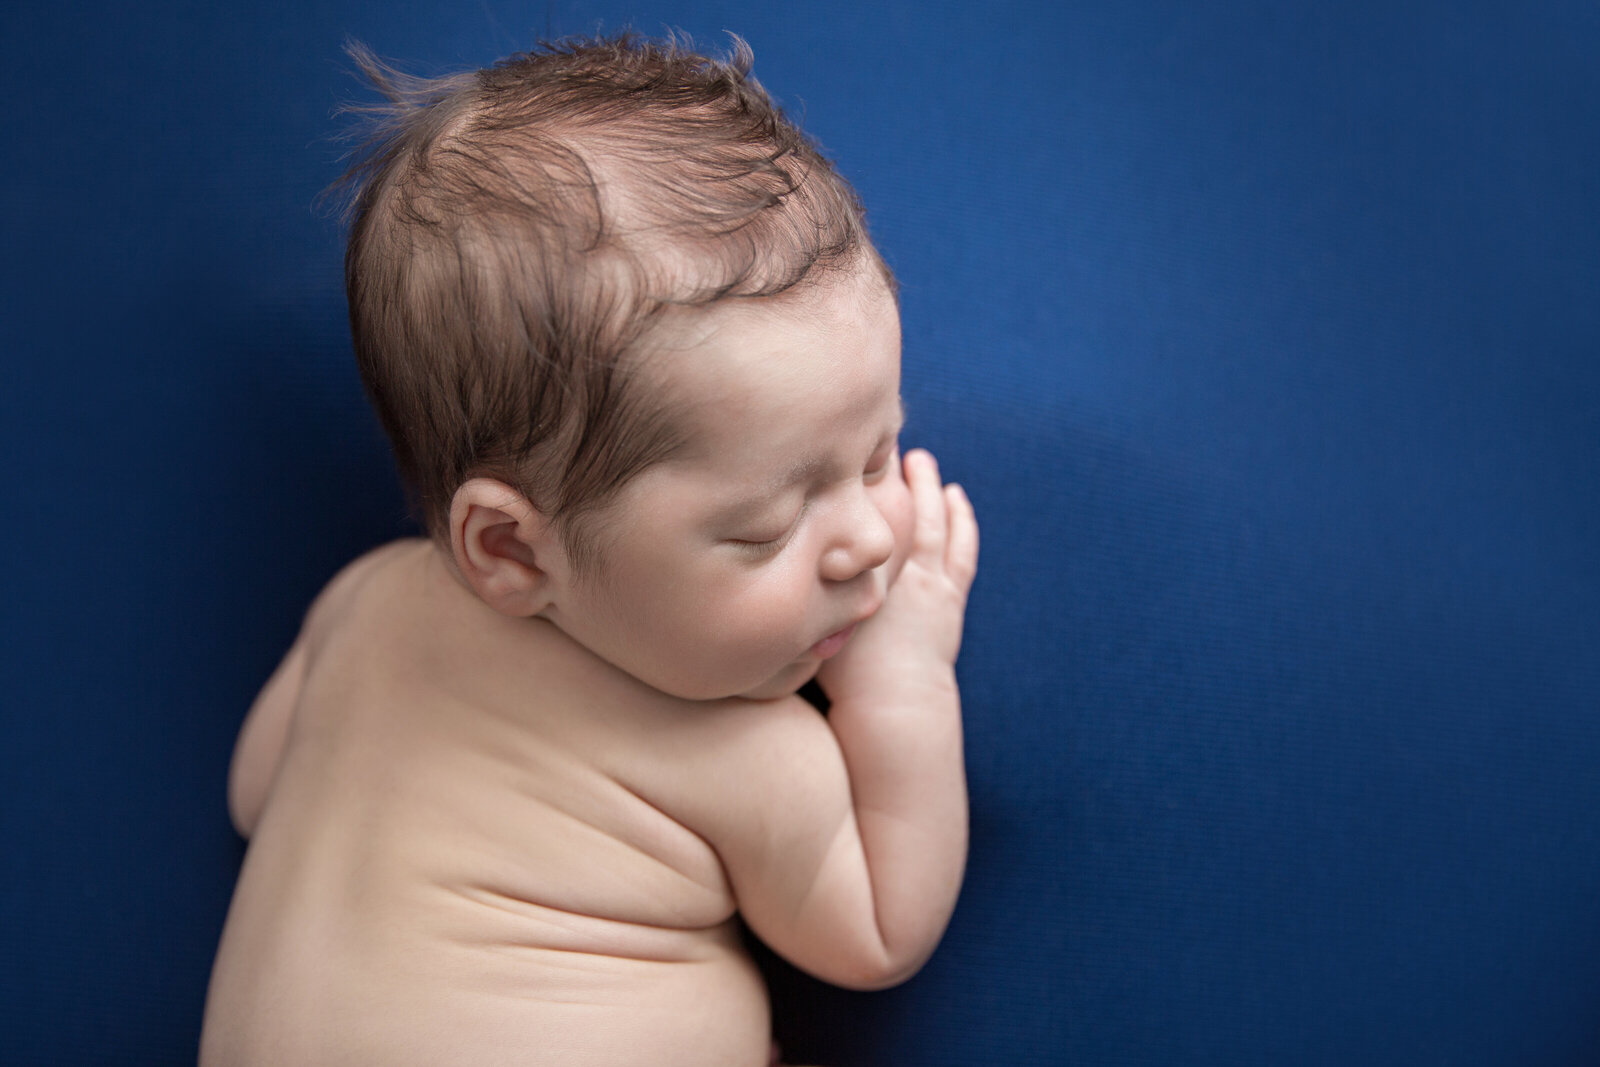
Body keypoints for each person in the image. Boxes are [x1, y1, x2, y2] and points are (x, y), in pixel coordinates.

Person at [200, 33, 978, 1067]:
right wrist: (904, 677)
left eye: (879, 453)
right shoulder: (742, 752)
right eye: (764, 527)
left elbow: (255, 793)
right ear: (512, 549)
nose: (871, 540)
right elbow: (879, 933)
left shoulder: (358, 605)